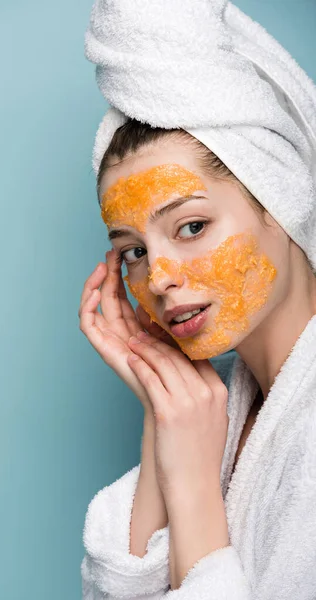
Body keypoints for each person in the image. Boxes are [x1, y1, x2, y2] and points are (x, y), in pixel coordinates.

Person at [79, 1, 316, 598]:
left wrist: (190, 484)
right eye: (132, 251)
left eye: (190, 227)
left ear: (280, 199)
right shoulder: (222, 406)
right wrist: (167, 418)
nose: (156, 278)